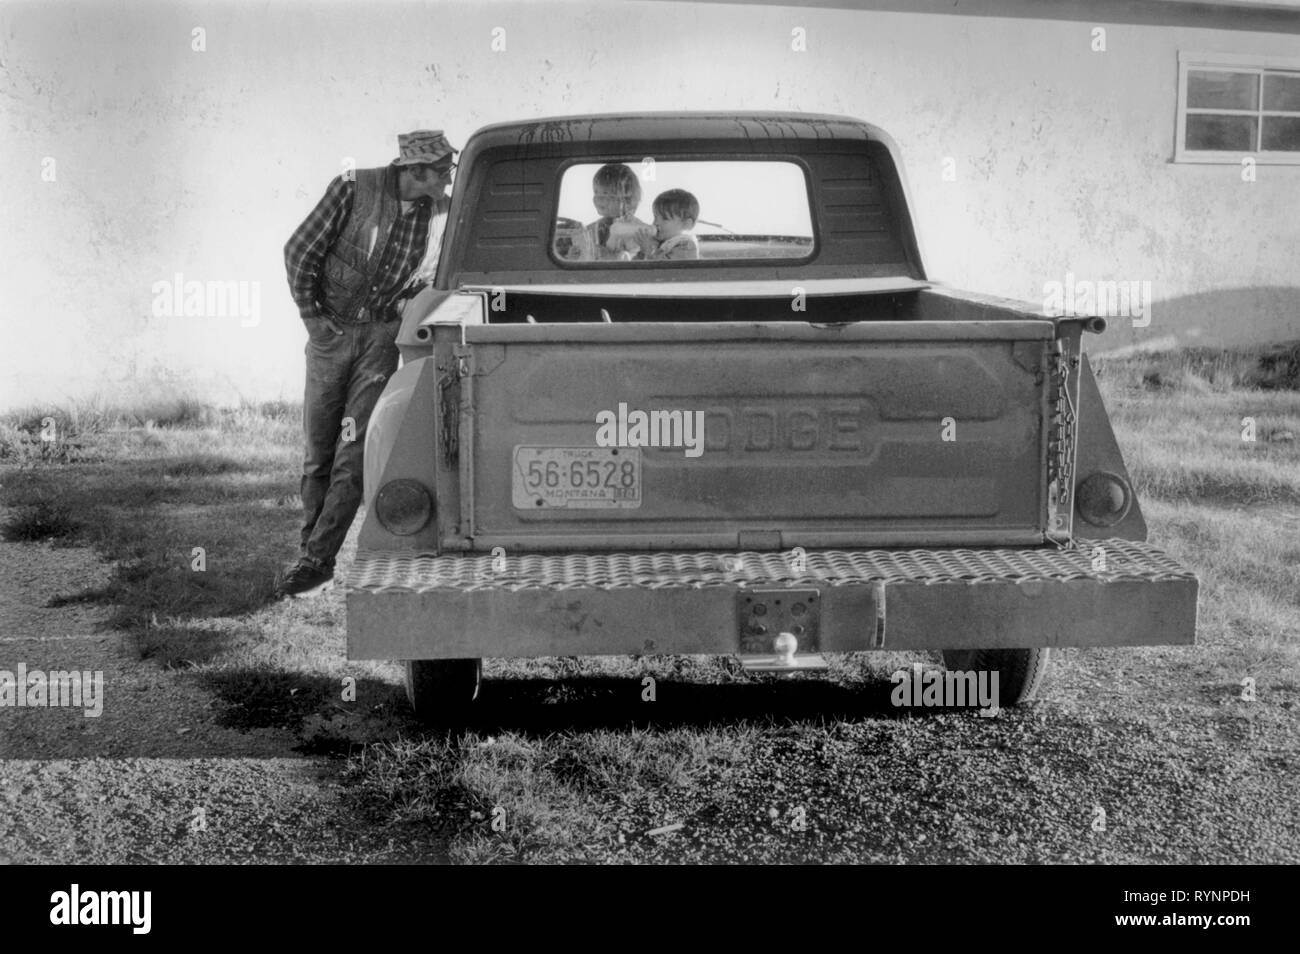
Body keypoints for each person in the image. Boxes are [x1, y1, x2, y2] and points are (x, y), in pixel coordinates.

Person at [278, 129, 457, 598]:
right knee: (318, 452)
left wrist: (409, 307)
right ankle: (309, 554)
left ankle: (318, 560)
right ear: (414, 171)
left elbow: (439, 277)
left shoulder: (445, 213)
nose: (448, 178)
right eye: (442, 171)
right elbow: (299, 251)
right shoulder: (353, 187)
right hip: (329, 336)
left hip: (380, 341)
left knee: (352, 454)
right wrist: (311, 318)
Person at [569, 163, 650, 262]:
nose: (598, 198)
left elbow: (639, 259)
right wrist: (576, 256)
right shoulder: (592, 228)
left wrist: (611, 256)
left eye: (605, 193)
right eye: (596, 192)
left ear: (625, 199)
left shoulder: (636, 229)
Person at [636, 189, 701, 260]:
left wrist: (648, 251)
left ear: (686, 224)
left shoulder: (685, 245)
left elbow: (667, 269)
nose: (656, 223)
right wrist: (642, 253)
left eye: (665, 218)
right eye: (655, 217)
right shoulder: (660, 241)